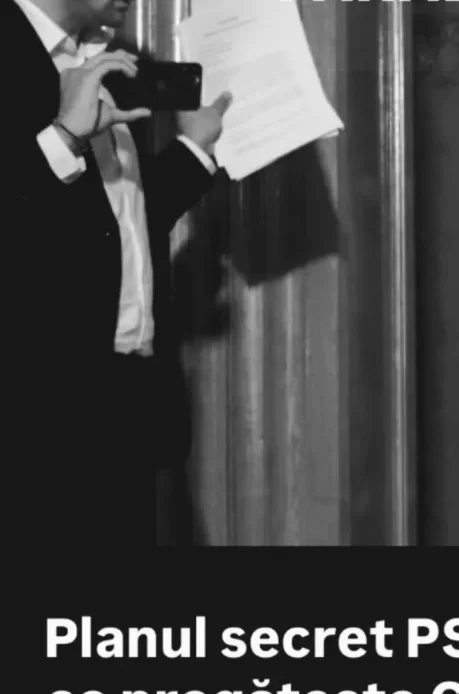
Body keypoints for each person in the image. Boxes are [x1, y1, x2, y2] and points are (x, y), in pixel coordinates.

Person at [7, 0, 232, 546]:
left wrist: (193, 151)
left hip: (122, 408)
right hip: (30, 425)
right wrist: (63, 136)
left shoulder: (105, 59)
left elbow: (110, 223)